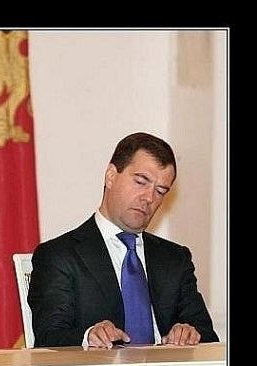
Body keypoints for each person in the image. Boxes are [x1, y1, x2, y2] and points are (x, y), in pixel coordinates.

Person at [28, 132, 218, 348]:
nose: (149, 198)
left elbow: (207, 336)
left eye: (160, 191)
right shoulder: (59, 255)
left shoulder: (175, 259)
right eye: (141, 182)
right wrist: (88, 336)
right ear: (110, 176)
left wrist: (189, 334)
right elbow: (49, 337)